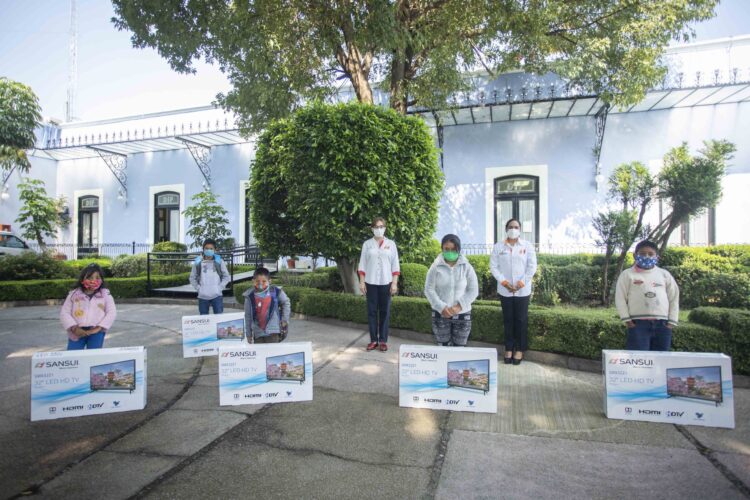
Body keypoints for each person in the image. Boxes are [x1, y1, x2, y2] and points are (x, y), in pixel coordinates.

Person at [615, 240, 679, 351]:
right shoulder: (627, 275)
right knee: (638, 359)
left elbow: (673, 298)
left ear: (657, 257)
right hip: (638, 325)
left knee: (661, 359)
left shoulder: (664, 275)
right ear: (635, 255)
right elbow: (620, 299)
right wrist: (628, 321)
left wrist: (671, 323)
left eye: (650, 254)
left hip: (662, 325)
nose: (646, 256)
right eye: (642, 253)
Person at [490, 218, 537, 365]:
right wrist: (504, 282)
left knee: (521, 320)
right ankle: (509, 348)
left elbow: (532, 267)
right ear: (506, 229)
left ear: (520, 230)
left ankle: (520, 349)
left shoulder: (527, 246)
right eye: (510, 227)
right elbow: (494, 267)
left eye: (516, 227)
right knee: (508, 320)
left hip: (522, 290)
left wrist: (521, 283)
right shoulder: (499, 247)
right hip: (505, 290)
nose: (513, 229)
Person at [424, 234, 479, 346]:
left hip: (463, 315)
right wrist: (441, 307)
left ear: (458, 249)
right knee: (443, 349)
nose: (450, 252)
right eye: (446, 249)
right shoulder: (435, 267)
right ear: (442, 249)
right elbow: (429, 289)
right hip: (440, 314)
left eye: (453, 249)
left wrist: (459, 306)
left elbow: (473, 290)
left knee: (459, 350)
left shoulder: (467, 267)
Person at [358, 216, 400, 352]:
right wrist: (362, 282)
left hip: (386, 282)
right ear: (372, 229)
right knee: (371, 312)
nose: (379, 229)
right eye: (376, 227)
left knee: (384, 312)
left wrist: (394, 283)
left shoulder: (391, 244)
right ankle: (373, 340)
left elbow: (395, 264)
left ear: (385, 228)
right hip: (370, 282)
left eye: (381, 226)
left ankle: (382, 340)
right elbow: (362, 264)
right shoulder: (367, 244)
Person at [60, 263, 117, 350]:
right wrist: (74, 328)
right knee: (73, 354)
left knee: (93, 355)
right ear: (82, 279)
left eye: (97, 278)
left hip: (96, 332)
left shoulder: (105, 295)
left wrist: (99, 328)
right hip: (76, 332)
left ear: (101, 280)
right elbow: (65, 312)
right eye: (90, 277)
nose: (93, 281)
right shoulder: (73, 295)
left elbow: (111, 312)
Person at [243, 267, 291, 343]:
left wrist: (284, 320)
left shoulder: (275, 292)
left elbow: (286, 302)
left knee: (273, 351)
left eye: (264, 281)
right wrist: (248, 334)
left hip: (273, 332)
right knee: (259, 350)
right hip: (258, 334)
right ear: (253, 281)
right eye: (257, 281)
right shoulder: (249, 296)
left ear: (269, 281)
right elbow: (248, 316)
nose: (260, 284)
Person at [189, 238, 230, 315]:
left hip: (217, 296)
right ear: (203, 249)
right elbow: (192, 277)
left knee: (219, 319)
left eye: (211, 248)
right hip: (203, 297)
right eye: (206, 248)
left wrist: (219, 288)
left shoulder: (219, 261)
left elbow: (226, 276)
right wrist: (198, 288)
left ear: (215, 250)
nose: (209, 250)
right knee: (204, 320)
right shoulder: (198, 262)